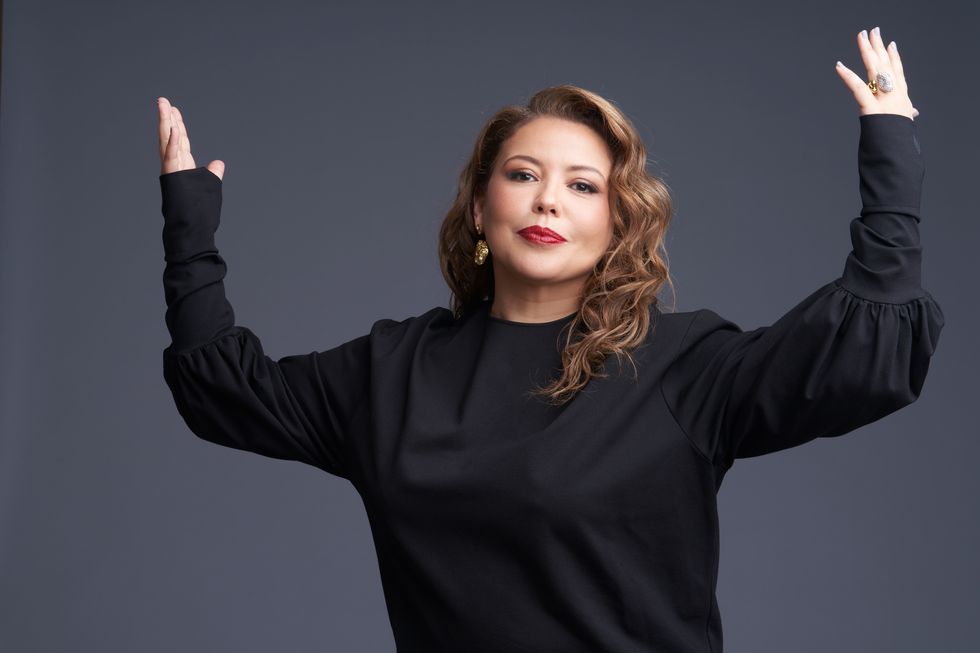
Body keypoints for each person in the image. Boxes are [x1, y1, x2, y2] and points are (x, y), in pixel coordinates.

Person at [156, 26, 943, 653]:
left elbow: (862, 349)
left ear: (617, 223)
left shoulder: (684, 367)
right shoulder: (392, 372)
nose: (548, 201)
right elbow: (222, 387)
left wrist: (891, 150)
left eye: (582, 185)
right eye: (523, 174)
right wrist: (190, 232)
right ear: (479, 207)